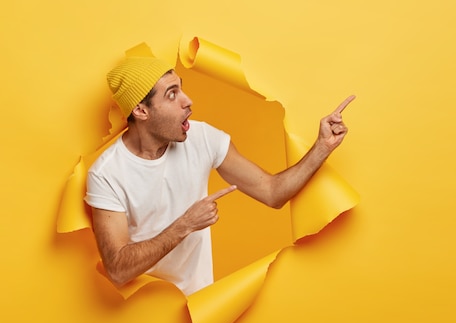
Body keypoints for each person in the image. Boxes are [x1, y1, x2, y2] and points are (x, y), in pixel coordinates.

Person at [85, 56, 355, 296]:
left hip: (196, 310)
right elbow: (118, 269)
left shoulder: (202, 138)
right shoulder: (106, 173)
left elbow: (273, 192)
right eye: (171, 94)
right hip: (136, 316)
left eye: (181, 88)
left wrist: (323, 147)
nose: (187, 101)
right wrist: (185, 224)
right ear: (141, 111)